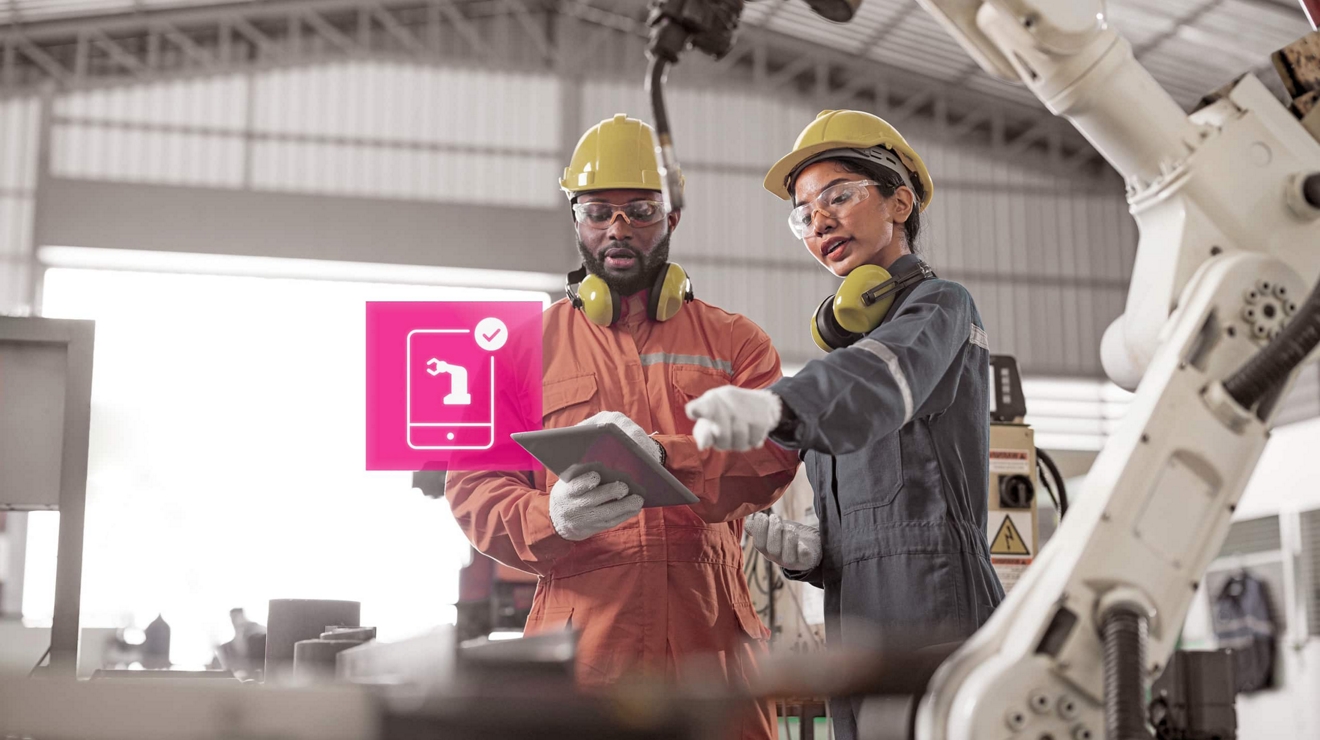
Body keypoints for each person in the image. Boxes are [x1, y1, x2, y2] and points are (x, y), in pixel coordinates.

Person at [444, 114, 801, 740]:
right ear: (574, 220)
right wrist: (549, 516)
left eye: (640, 211)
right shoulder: (519, 351)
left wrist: (668, 459)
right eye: (597, 211)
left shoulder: (736, 343)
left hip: (709, 645)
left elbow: (774, 456)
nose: (618, 228)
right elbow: (473, 486)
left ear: (672, 219)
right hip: (582, 655)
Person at [685, 109, 1005, 739]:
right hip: (854, 608)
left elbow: (881, 385)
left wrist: (778, 405)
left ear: (900, 201)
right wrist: (817, 553)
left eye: (839, 196)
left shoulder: (938, 307)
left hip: (932, 597)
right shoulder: (846, 357)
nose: (820, 221)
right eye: (804, 213)